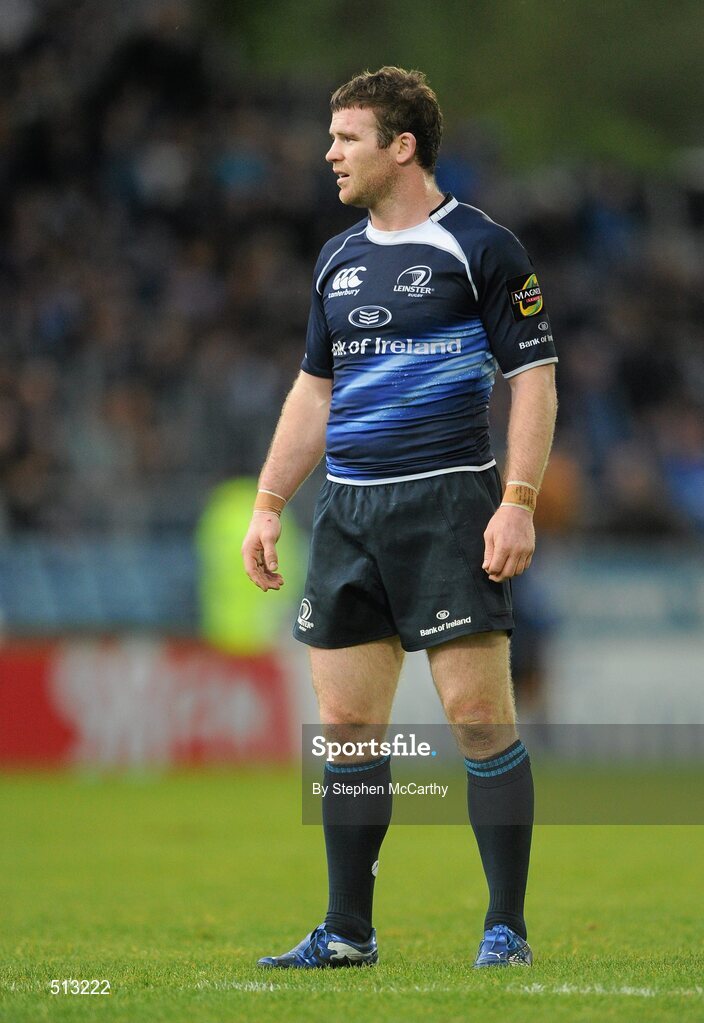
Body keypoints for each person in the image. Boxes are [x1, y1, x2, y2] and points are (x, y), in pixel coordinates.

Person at [241, 66, 557, 970]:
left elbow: (535, 380)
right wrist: (270, 502)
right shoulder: (337, 259)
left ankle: (506, 926)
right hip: (349, 510)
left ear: (401, 145)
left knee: (476, 719)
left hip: (451, 501)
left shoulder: (483, 246)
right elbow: (314, 391)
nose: (329, 153)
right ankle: (347, 932)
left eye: (346, 137)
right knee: (346, 728)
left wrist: (518, 503)